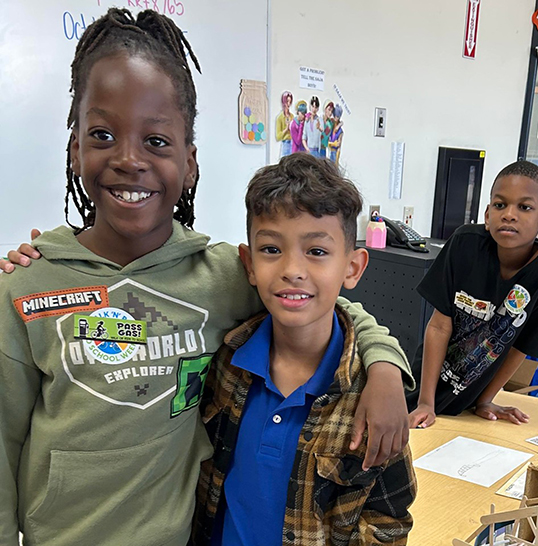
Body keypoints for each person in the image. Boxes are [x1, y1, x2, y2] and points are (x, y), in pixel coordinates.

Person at [0, 9, 411, 546]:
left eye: (156, 142)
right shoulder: (27, 286)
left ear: (190, 163)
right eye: (102, 134)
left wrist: (383, 367)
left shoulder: (222, 275)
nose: (128, 160)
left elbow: (317, 298)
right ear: (75, 147)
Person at [192, 154, 416, 545]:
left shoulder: (373, 399)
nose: (292, 269)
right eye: (271, 249)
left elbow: (387, 521)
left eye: (316, 252)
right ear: (248, 263)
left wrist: (384, 368)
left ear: (353, 267)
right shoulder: (225, 363)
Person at [406, 161, 538, 428]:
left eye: (525, 207)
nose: (509, 215)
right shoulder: (464, 244)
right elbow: (438, 326)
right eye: (500, 205)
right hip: (420, 391)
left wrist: (486, 399)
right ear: (487, 214)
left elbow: (523, 345)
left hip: (472, 404)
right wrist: (426, 402)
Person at [275, 91, 294, 158]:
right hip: (285, 143)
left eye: (290, 102)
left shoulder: (292, 116)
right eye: (287, 101)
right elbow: (278, 137)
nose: (288, 104)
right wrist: (286, 129)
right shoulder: (280, 117)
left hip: (293, 143)